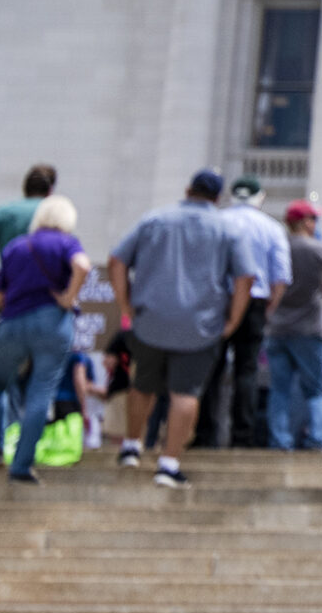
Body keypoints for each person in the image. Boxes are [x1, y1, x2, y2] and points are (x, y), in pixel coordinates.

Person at [108, 169, 253, 488]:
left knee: (142, 383)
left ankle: (132, 446)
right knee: (185, 393)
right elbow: (246, 278)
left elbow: (116, 261)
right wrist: (233, 320)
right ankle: (169, 463)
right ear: (217, 198)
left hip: (150, 318)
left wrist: (125, 304)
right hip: (200, 324)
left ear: (187, 189)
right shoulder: (228, 229)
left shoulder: (153, 220)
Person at [0, 196, 89, 484]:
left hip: (14, 322)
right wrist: (68, 297)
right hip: (54, 322)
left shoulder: (17, 246)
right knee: (41, 392)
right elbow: (83, 265)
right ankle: (20, 464)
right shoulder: (67, 243)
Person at [210, 174, 291, 448]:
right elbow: (281, 276)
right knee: (247, 370)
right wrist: (269, 306)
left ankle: (206, 433)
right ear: (260, 198)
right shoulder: (270, 227)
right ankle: (242, 437)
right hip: (255, 302)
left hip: (219, 301)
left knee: (213, 368)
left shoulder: (216, 222)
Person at [265, 201, 322, 451]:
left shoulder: (277, 248)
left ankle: (280, 440)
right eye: (313, 219)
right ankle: (318, 439)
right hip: (310, 328)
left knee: (279, 389)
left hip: (277, 327)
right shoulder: (320, 250)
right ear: (305, 222)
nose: (316, 224)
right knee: (316, 389)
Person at [0, 164, 55, 291]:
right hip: (45, 294)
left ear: (25, 188)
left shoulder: (2, 212)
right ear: (50, 191)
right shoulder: (54, 213)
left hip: (10, 292)